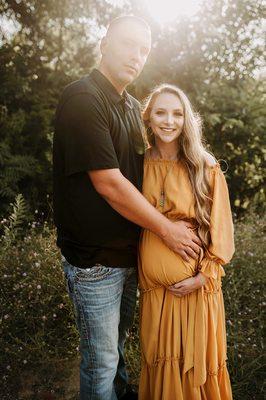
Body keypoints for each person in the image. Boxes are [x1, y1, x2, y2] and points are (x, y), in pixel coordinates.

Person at [53, 16, 202, 400]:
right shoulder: (83, 98)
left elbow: (156, 164)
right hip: (95, 262)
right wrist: (167, 231)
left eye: (144, 50)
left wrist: (203, 176)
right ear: (105, 43)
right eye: (127, 44)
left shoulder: (134, 105)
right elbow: (110, 183)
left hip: (128, 254)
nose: (136, 56)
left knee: (117, 353)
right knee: (100, 362)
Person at [138, 84, 235, 399]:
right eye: (161, 112)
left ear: (187, 119)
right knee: (160, 361)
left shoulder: (203, 165)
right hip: (156, 293)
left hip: (196, 290)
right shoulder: (137, 163)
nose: (169, 121)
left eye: (177, 113)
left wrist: (203, 276)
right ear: (149, 118)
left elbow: (221, 230)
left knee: (193, 369)